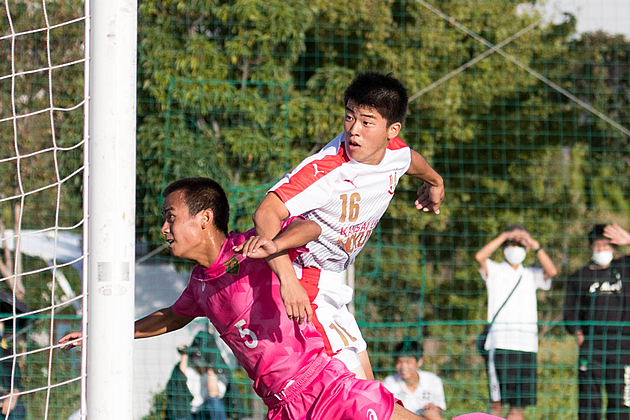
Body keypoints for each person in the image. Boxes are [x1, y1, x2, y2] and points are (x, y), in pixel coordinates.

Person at [59, 177, 422, 420]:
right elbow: (171, 316)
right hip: (283, 407)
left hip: (324, 385)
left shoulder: (249, 247)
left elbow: (311, 227)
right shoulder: (200, 284)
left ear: (204, 218)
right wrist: (109, 332)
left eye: (170, 218)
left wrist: (276, 252)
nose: (164, 229)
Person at [251, 71, 445, 380]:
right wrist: (288, 281)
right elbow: (266, 212)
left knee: (370, 391)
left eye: (367, 122)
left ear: (391, 131)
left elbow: (411, 160)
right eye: (349, 117)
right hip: (307, 287)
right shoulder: (327, 169)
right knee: (359, 398)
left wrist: (435, 182)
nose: (354, 130)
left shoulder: (394, 153)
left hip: (334, 285)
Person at [474, 225, 558, 420]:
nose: (516, 247)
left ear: (527, 249)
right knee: (497, 404)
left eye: (520, 244)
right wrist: (505, 235)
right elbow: (480, 257)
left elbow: (551, 271)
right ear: (504, 246)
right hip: (500, 343)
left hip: (527, 346)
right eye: (512, 243)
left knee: (518, 406)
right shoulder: (495, 270)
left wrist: (534, 244)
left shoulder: (531, 274)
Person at [563, 223, 630, 420]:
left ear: (614, 247)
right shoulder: (580, 276)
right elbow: (571, 310)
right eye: (597, 245)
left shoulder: (625, 269)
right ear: (590, 247)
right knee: (589, 399)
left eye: (605, 245)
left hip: (623, 345)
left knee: (620, 402)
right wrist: (579, 335)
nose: (601, 249)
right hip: (592, 343)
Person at [165, 332, 229, 420]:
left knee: (215, 403)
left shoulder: (220, 374)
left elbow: (213, 395)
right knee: (178, 408)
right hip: (188, 412)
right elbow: (179, 384)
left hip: (205, 412)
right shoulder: (188, 369)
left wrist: (210, 368)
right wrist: (184, 355)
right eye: (196, 355)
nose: (198, 358)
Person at [382, 340, 446, 420]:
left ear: (419, 361)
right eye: (399, 362)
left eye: (408, 362)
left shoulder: (433, 380)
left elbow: (438, 410)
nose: (403, 367)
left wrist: (432, 408)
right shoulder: (389, 383)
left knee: (431, 414)